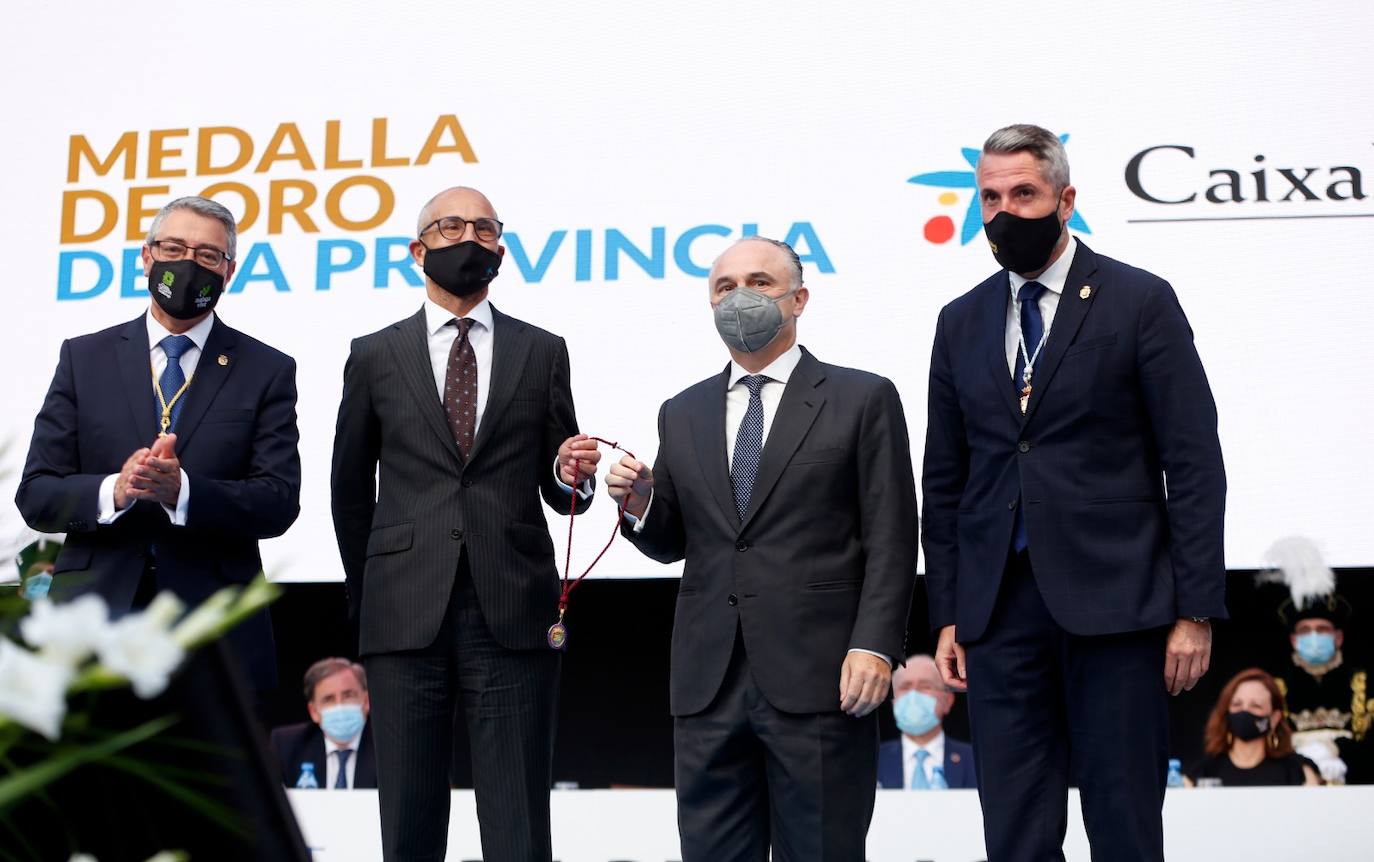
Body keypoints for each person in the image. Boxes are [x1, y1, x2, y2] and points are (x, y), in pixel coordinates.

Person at [921, 124, 1226, 862]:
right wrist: (952, 612)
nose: (1005, 213)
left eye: (1023, 193)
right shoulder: (960, 320)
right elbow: (945, 479)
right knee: (1016, 833)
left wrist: (1195, 608)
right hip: (999, 613)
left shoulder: (1139, 300)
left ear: (1066, 198)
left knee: (1124, 826)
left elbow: (1191, 462)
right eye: (990, 198)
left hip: (1118, 605)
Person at [606, 236, 918, 861]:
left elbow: (892, 534)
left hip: (823, 678)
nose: (739, 298)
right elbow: (676, 541)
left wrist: (875, 644)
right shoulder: (682, 410)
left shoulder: (861, 397)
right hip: (708, 687)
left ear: (799, 299)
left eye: (758, 283)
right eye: (724, 288)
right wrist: (640, 502)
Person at [330, 186, 598, 862]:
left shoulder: (543, 351)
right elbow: (348, 486)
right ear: (418, 251)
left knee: (517, 823)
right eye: (451, 226)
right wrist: (368, 598)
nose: (469, 238)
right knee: (410, 820)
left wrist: (573, 471)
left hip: (511, 603)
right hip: (403, 609)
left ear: (501, 252)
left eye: (484, 228)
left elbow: (560, 484)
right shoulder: (373, 353)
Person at [16, 196, 301, 693]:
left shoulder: (267, 369)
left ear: (229, 271)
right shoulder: (85, 358)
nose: (189, 264)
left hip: (212, 628)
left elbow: (277, 502)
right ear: (147, 257)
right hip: (93, 620)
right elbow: (36, 493)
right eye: (174, 247)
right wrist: (115, 491)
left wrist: (182, 492)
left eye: (208, 256)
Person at [1275, 592, 1371, 784]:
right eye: (1305, 630)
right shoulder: (1276, 685)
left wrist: (1338, 750)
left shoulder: (1365, 681)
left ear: (1338, 637)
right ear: (1294, 640)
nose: (1314, 636)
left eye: (1322, 629)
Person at [1186, 668, 1320, 787]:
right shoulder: (1204, 771)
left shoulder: (1297, 771)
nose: (1244, 711)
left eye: (1255, 706)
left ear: (1274, 718)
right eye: (1237, 704)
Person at [271, 657, 378, 789]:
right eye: (329, 699)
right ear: (314, 712)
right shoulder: (287, 744)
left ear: (367, 701)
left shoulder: (387, 745)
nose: (340, 706)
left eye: (348, 695)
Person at [876, 654, 976, 790]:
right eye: (905, 687)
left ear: (948, 700)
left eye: (925, 687)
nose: (913, 696)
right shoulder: (871, 761)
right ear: (893, 701)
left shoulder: (975, 760)